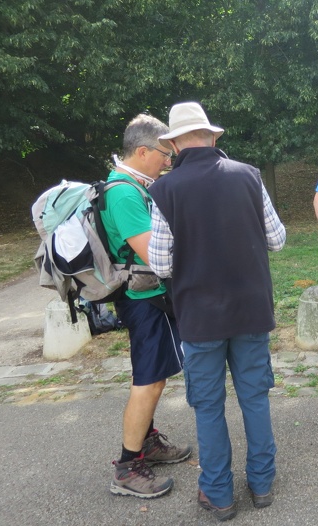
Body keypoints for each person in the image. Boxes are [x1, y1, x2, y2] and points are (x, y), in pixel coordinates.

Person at [148, 102, 286, 521]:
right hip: (251, 310)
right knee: (254, 398)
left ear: (175, 145)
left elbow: (160, 263)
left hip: (200, 317)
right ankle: (262, 483)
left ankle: (218, 493)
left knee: (208, 406)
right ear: (212, 136)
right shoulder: (249, 175)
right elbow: (277, 239)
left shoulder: (165, 190)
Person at [103, 114, 191, 500]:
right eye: (164, 153)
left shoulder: (133, 185)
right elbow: (154, 254)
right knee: (149, 380)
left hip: (147, 297)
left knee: (155, 376)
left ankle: (148, 442)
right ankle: (127, 467)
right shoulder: (124, 193)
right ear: (142, 151)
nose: (168, 160)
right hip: (143, 300)